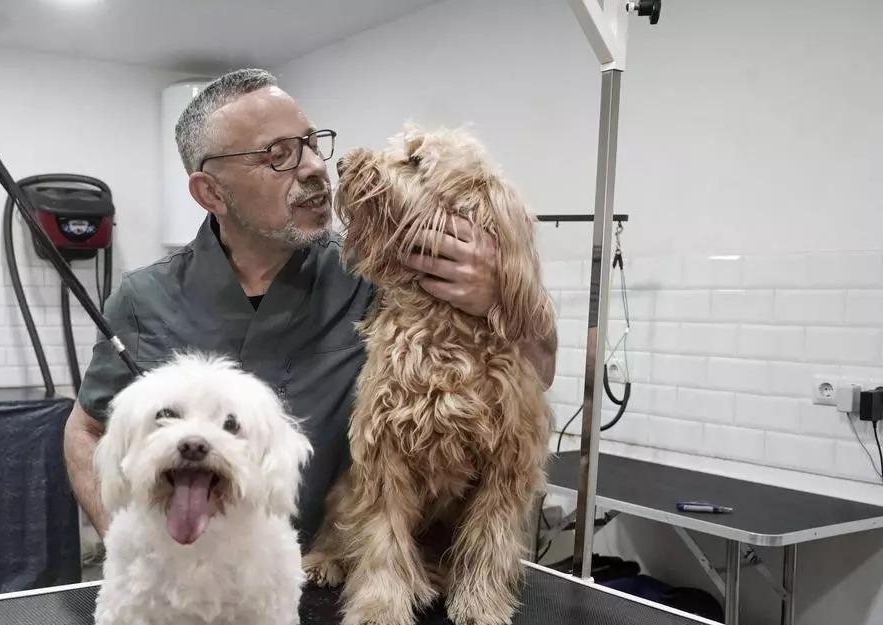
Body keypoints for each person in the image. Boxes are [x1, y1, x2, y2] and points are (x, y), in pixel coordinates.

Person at [64, 68, 557, 546]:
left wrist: (507, 295)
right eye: (278, 156)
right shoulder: (143, 299)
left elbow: (539, 368)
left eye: (312, 144)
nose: (316, 169)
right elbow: (86, 430)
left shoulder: (374, 272)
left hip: (340, 577)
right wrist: (124, 541)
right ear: (210, 192)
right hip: (197, 579)